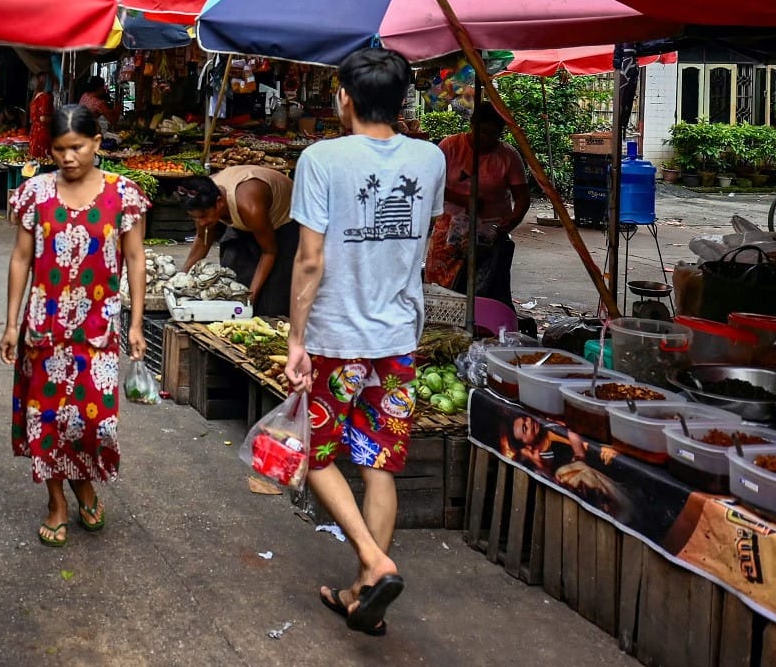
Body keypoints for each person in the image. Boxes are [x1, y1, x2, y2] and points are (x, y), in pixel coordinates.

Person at [283, 47, 446, 637]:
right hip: (397, 334)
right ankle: (363, 592)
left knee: (313, 452)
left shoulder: (322, 158)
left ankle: (374, 562)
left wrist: (295, 337)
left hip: (336, 335)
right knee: (379, 465)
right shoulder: (430, 159)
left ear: (344, 96)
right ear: (402, 100)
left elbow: (309, 260)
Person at [0, 104, 150, 548]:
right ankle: (57, 503)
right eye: (59, 149)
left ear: (97, 144)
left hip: (99, 331)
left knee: (93, 423)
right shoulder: (36, 192)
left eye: (77, 147)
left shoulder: (123, 195)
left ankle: (84, 485)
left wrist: (136, 323)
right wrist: (11, 323)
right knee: (45, 419)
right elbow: (21, 259)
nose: (68, 158)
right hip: (43, 329)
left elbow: (137, 260)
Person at [425, 102, 530, 309]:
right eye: (484, 132)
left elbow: (522, 198)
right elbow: (430, 184)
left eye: (495, 134)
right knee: (442, 291)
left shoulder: (509, 156)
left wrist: (511, 222)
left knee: (485, 291)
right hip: (448, 233)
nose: (488, 139)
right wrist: (463, 200)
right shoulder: (450, 146)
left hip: (489, 236)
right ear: (472, 125)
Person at [176, 165, 297, 316]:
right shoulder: (203, 196)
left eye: (203, 217)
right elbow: (203, 239)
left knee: (272, 295)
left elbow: (269, 252)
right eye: (195, 218)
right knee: (233, 277)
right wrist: (180, 279)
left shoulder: (249, 206)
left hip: (284, 222)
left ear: (220, 203)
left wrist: (249, 299)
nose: (200, 223)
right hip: (247, 219)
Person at [28, 72, 54, 159]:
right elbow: (43, 118)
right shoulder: (45, 97)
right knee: (44, 161)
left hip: (34, 132)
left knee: (35, 159)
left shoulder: (35, 97)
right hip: (43, 133)